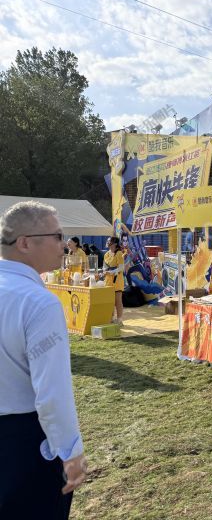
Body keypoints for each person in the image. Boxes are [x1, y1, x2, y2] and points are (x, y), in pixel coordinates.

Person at [0, 201, 87, 518]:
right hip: (23, 441)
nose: (64, 245)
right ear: (24, 242)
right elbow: (52, 393)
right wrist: (71, 453)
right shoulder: (38, 302)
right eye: (57, 235)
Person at [103, 236, 125, 325]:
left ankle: (119, 319)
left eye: (110, 241)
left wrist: (112, 271)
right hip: (108, 280)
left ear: (115, 243)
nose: (108, 242)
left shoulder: (119, 253)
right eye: (108, 241)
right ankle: (111, 318)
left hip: (117, 280)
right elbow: (104, 266)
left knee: (117, 301)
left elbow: (121, 267)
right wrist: (104, 271)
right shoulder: (106, 254)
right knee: (109, 300)